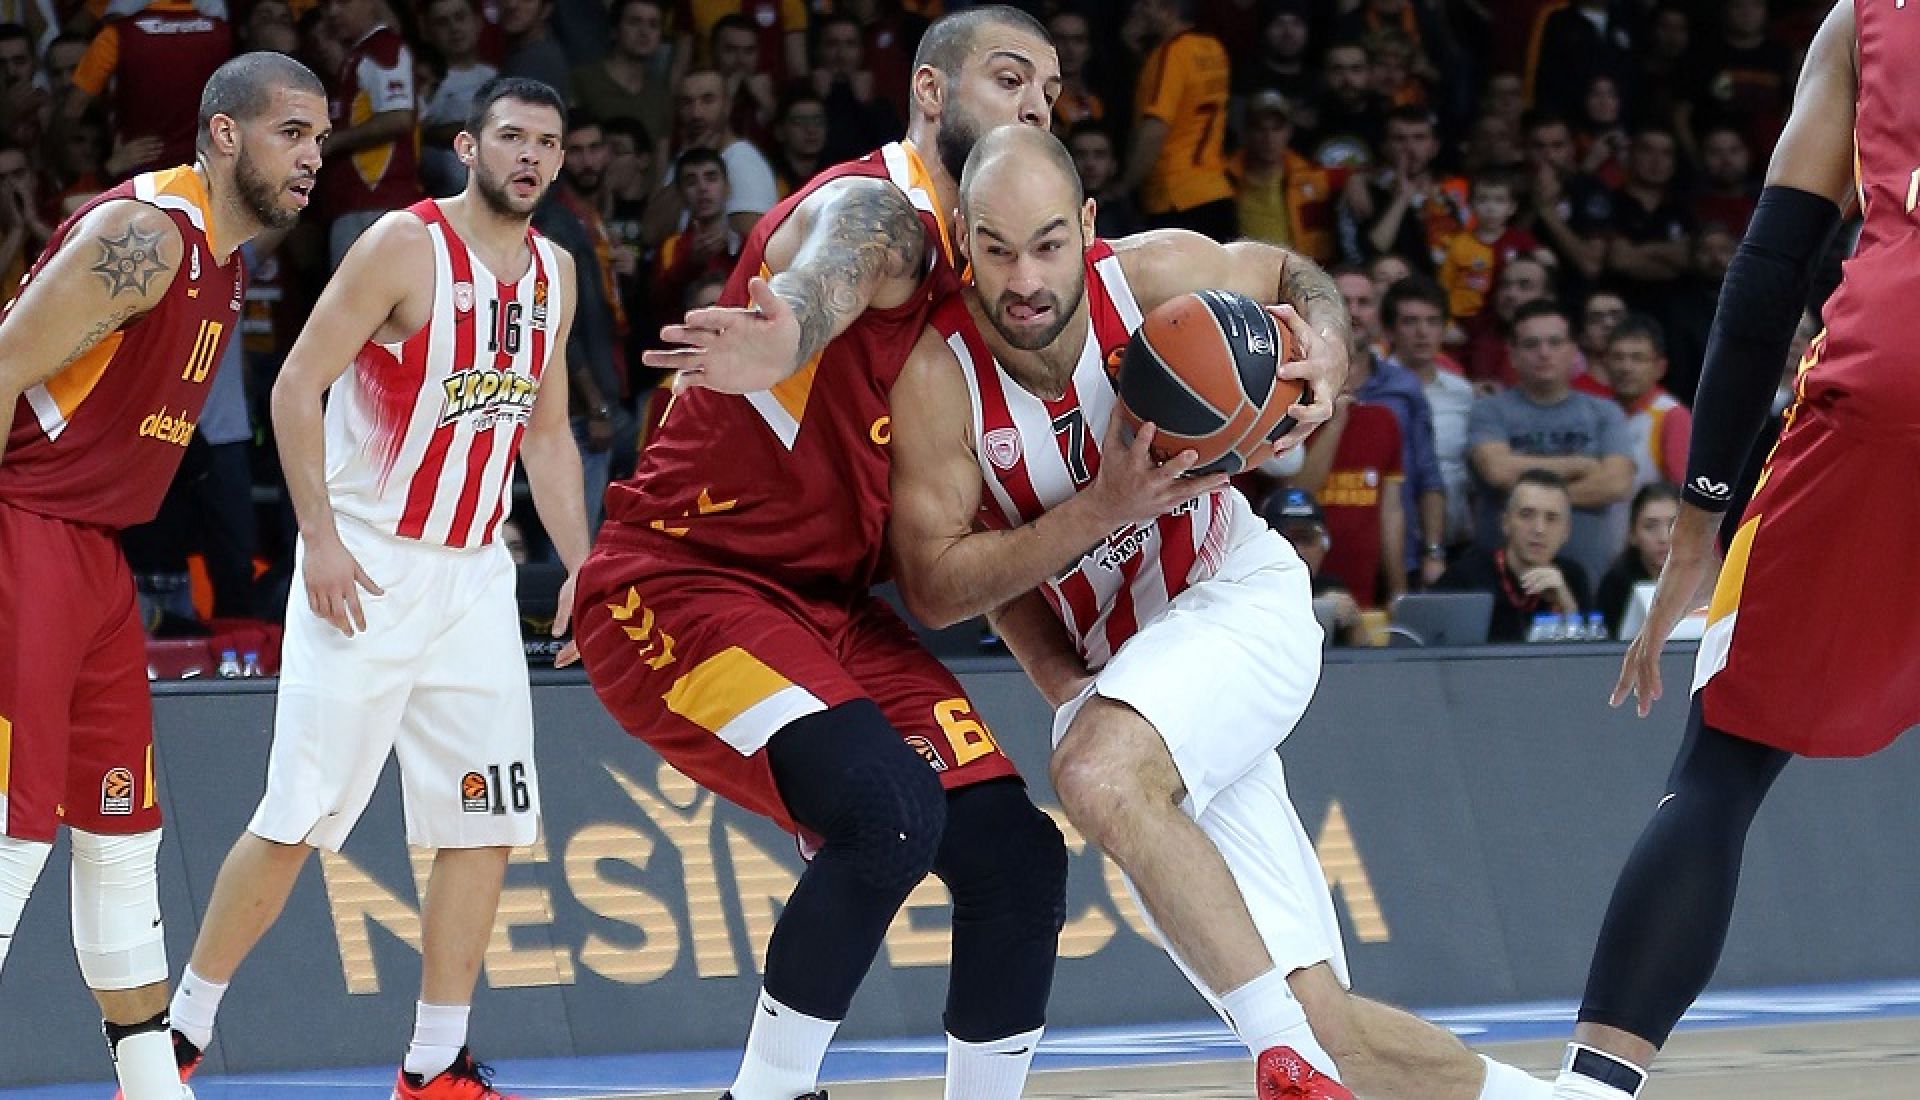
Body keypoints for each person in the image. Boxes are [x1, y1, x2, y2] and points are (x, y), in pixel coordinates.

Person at [885, 122, 1545, 1100]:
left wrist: (1326, 345)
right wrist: (1087, 571)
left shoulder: (1148, 276)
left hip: (1232, 596)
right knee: (1333, 1028)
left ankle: (1277, 1057)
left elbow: (1285, 270)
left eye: (1049, 244)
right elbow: (940, 586)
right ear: (964, 245)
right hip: (1136, 678)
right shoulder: (938, 378)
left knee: (1096, 771)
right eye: (998, 248)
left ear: (1088, 227)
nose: (1025, 277)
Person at [580, 11, 1071, 1100]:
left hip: (829, 608)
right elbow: (829, 272)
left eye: (1049, 90)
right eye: (1009, 79)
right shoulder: (882, 210)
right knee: (889, 813)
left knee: (1017, 855)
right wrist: (787, 331)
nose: (1036, 105)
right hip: (684, 581)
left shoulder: (995, 272)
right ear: (931, 92)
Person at [160, 77, 590, 1100]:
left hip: (475, 575)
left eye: (548, 143)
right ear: (467, 148)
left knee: (487, 823)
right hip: (367, 562)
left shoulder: (557, 273)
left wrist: (585, 564)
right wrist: (317, 535)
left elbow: (546, 433)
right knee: (298, 816)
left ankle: (433, 1061)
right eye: (512, 137)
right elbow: (293, 385)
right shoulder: (404, 244)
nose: (531, 156)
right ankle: (174, 1035)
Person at [1555, 4, 1901, 1095]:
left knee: (1722, 766)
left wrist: (1699, 524)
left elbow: (1767, 281)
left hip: (1894, 379)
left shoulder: (1867, 22)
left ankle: (1595, 1085)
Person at [0, 52, 323, 1100]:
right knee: (10, 832)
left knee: (120, 831)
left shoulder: (224, 265)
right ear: (224, 133)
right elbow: (2, 365)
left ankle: (152, 1082)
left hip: (96, 555)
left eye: (320, 139)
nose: (313, 157)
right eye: (291, 133)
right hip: (25, 533)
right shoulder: (146, 236)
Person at [1468, 299, 1634, 582]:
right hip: (1502, 582)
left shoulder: (1606, 412)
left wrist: (1530, 502)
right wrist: (1578, 465)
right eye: (1531, 344)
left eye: (1555, 343)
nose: (1544, 353)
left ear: (1573, 350)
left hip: (1590, 579)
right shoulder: (1489, 410)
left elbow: (1616, 483)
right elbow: (1497, 470)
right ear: (1512, 354)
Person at [315, 0, 421, 268]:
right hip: (358, 205)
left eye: (343, 2)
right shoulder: (357, 54)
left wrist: (333, 142)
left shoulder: (383, 48)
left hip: (377, 202)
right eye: (326, 5)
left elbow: (398, 118)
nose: (333, 12)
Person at [1117, 0, 1235, 240]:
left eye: (1147, 4)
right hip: (1216, 191)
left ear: (1167, 8)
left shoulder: (1170, 53)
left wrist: (1124, 185)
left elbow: (1155, 127)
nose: (1138, 10)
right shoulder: (1214, 49)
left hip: (1175, 198)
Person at [1436, 468, 1590, 642]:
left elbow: (1593, 653)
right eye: (1526, 515)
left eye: (1551, 518)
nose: (1539, 529)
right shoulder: (1465, 577)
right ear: (1505, 523)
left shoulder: (1573, 578)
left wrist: (1569, 610)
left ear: (1566, 532)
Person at [1602, 314, 1691, 491]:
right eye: (1618, 357)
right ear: (1605, 363)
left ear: (1660, 367)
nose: (1626, 367)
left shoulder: (1672, 416)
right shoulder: (1595, 411)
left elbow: (1681, 489)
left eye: (1638, 358)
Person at [1594, 481, 1678, 638]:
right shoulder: (1615, 586)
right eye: (1650, 526)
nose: (1664, 538)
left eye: (1674, 525)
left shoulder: (1709, 580)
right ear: (1632, 534)